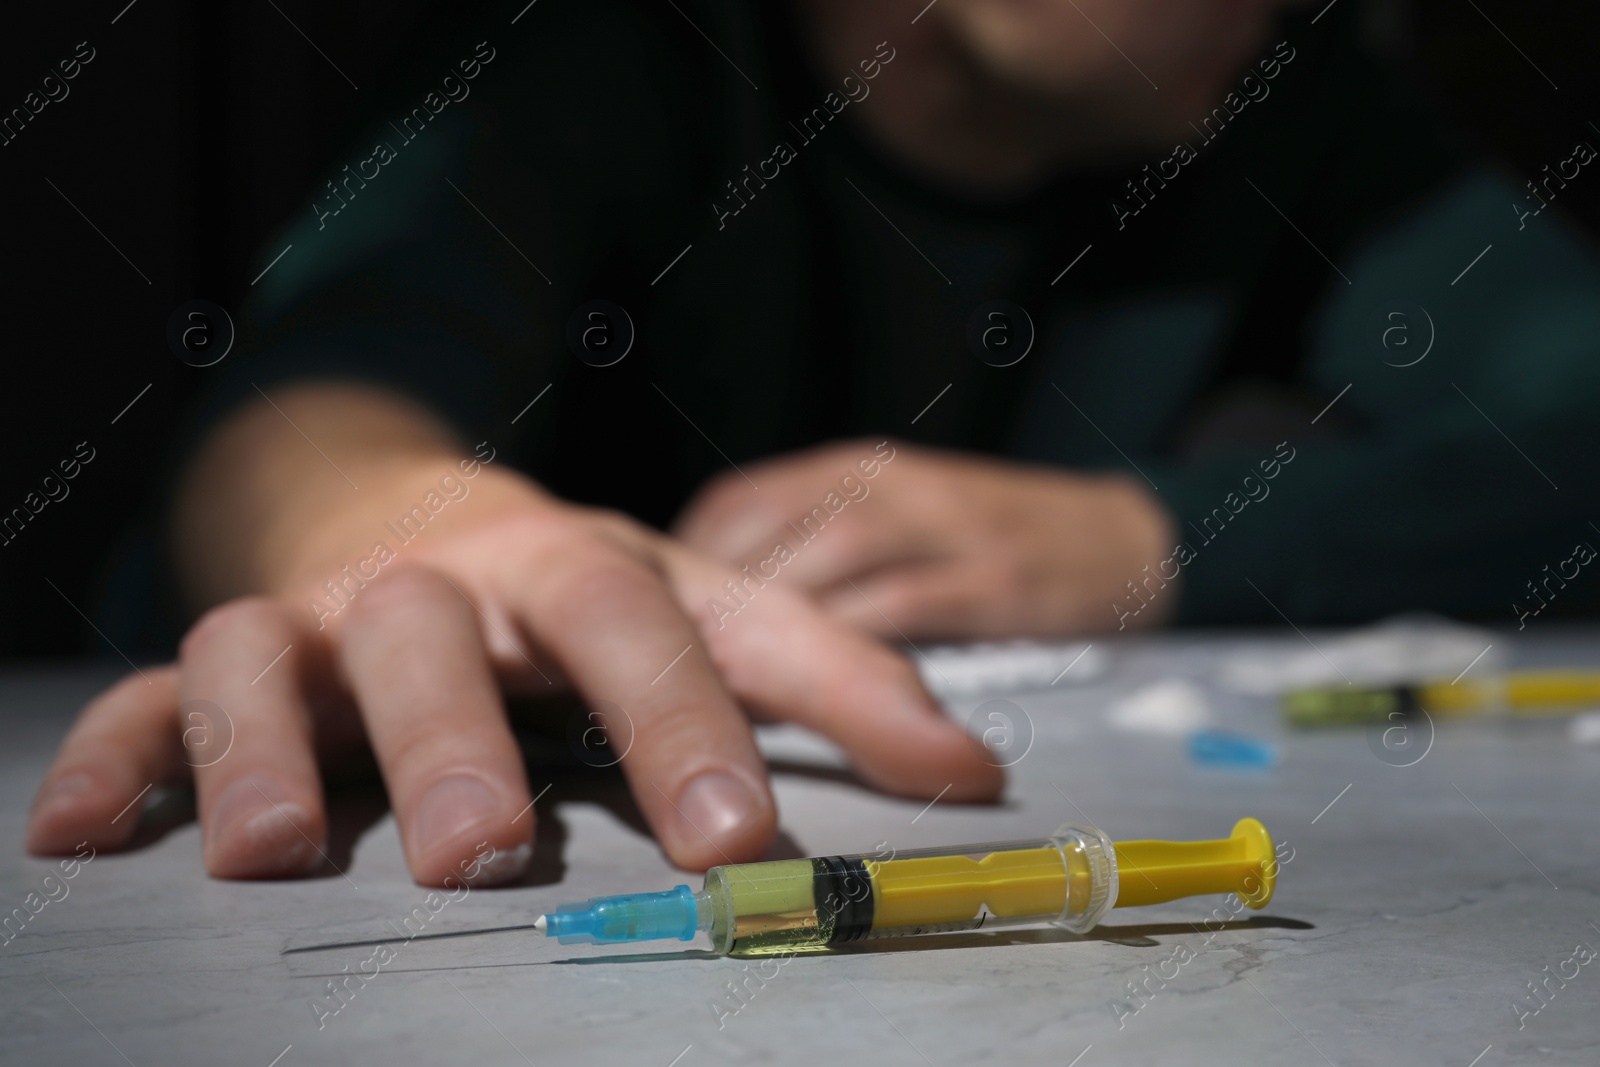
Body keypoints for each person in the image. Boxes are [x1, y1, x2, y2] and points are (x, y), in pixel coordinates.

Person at [27, 0, 1600, 886]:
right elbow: (321, 385)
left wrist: (1154, 544)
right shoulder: (608, 63)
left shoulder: (1281, 98)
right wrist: (385, 537)